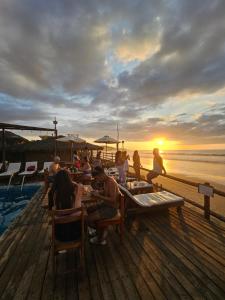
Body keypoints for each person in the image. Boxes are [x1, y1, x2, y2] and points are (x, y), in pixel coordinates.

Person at [87, 166, 121, 245]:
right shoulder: (106, 181)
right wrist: (98, 192)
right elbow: (106, 192)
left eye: (97, 178)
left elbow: (113, 199)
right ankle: (101, 230)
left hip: (111, 209)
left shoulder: (111, 182)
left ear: (101, 174)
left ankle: (101, 234)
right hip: (106, 205)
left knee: (88, 219)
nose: (97, 180)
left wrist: (98, 196)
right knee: (89, 209)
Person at [48, 169, 82, 242]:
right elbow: (79, 186)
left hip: (59, 235)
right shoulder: (73, 191)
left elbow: (50, 212)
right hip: (76, 233)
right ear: (69, 179)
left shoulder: (52, 193)